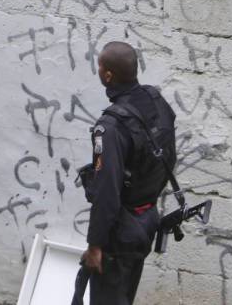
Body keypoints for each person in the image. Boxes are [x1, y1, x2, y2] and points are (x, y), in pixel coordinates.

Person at [75, 41, 177, 305]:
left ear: (108, 75)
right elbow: (170, 155)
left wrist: (95, 245)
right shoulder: (155, 100)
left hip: (120, 231)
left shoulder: (109, 127)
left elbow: (106, 191)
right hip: (146, 219)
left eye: (99, 65)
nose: (98, 70)